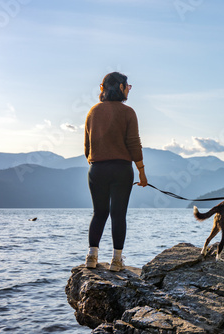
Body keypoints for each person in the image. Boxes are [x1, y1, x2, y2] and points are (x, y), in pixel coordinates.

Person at [84, 71, 147, 272]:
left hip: (97, 169)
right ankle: (116, 260)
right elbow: (134, 144)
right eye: (128, 86)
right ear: (120, 87)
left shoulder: (93, 111)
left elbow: (87, 147)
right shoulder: (128, 112)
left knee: (99, 213)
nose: (129, 89)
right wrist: (142, 173)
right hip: (121, 169)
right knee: (118, 215)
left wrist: (97, 163)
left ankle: (91, 257)